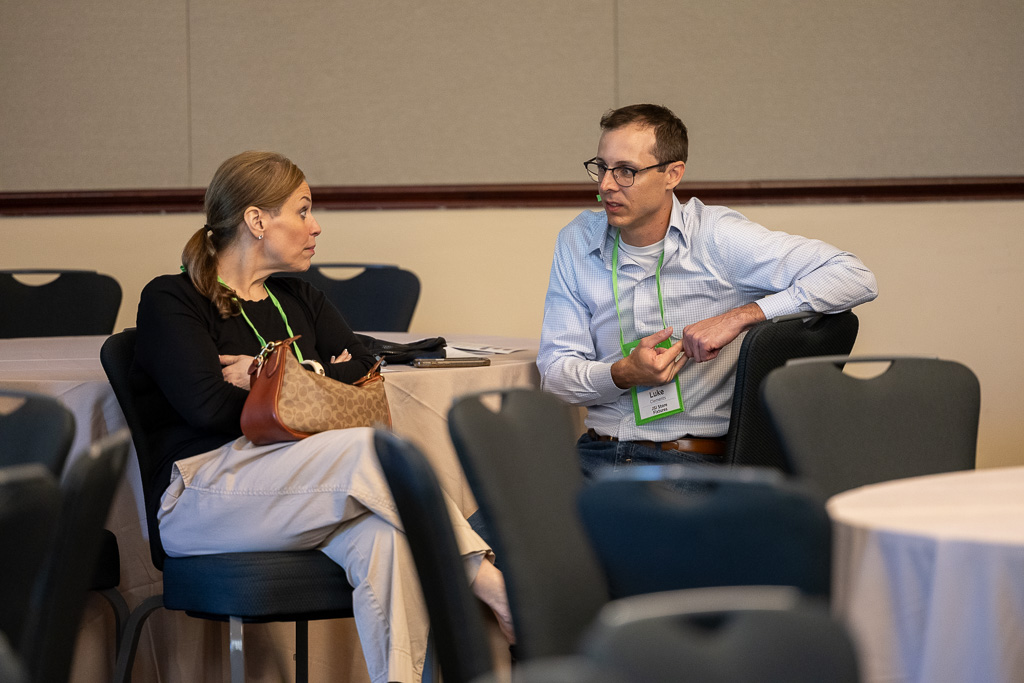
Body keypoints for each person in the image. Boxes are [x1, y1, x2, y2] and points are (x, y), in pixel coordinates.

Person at [131, 150, 512, 683]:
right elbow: (208, 408)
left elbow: (362, 366)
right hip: (201, 494)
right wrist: (309, 380)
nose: (316, 226)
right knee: (368, 448)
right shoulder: (172, 298)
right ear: (257, 220)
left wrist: (269, 374)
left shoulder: (298, 297)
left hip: (301, 485)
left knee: (388, 542)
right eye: (303, 210)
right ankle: (489, 580)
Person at [538, 104, 878, 478]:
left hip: (686, 461)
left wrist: (741, 317)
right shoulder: (577, 241)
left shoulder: (716, 237)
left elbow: (854, 276)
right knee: (497, 514)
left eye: (626, 171)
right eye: (601, 167)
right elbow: (555, 377)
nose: (605, 185)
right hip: (593, 455)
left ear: (672, 174)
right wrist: (622, 373)